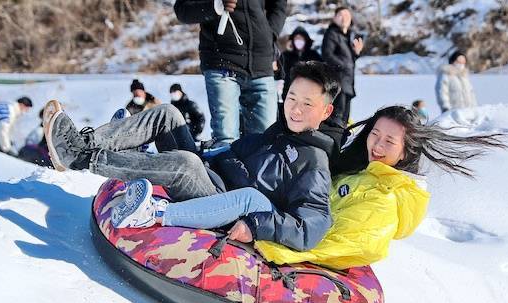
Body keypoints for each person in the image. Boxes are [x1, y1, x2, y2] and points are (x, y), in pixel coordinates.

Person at [44, 61, 345, 252]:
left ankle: (82, 158)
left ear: (326, 111)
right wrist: (205, 151)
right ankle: (82, 143)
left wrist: (257, 227)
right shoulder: (279, 132)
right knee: (168, 114)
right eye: (292, 98)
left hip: (223, 205)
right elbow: (232, 154)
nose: (295, 109)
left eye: (307, 104)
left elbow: (311, 226)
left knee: (185, 165)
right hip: (212, 173)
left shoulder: (314, 162)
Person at [254, 105, 508, 269]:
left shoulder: (384, 199)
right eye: (375, 134)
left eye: (389, 141)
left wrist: (272, 245)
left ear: (404, 153)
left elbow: (346, 242)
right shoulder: (360, 171)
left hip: (288, 236)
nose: (377, 146)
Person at [174, 0, 287, 147]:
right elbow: (183, 11)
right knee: (226, 140)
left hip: (261, 63)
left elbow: (279, 5)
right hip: (222, 62)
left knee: (266, 141)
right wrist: (215, 6)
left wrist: (269, 35)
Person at [321, 6, 364, 125]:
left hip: (348, 84)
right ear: (334, 18)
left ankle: (342, 141)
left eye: (347, 16)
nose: (344, 18)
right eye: (341, 15)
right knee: (336, 117)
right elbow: (327, 55)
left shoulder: (348, 37)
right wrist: (344, 65)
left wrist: (356, 54)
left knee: (345, 119)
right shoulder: (331, 34)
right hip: (338, 82)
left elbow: (349, 61)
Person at [280, 27, 322, 102]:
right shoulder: (286, 55)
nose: (298, 41)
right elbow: (279, 72)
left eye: (301, 39)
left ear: (306, 40)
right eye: (296, 39)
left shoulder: (313, 55)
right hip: (290, 92)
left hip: (309, 93)